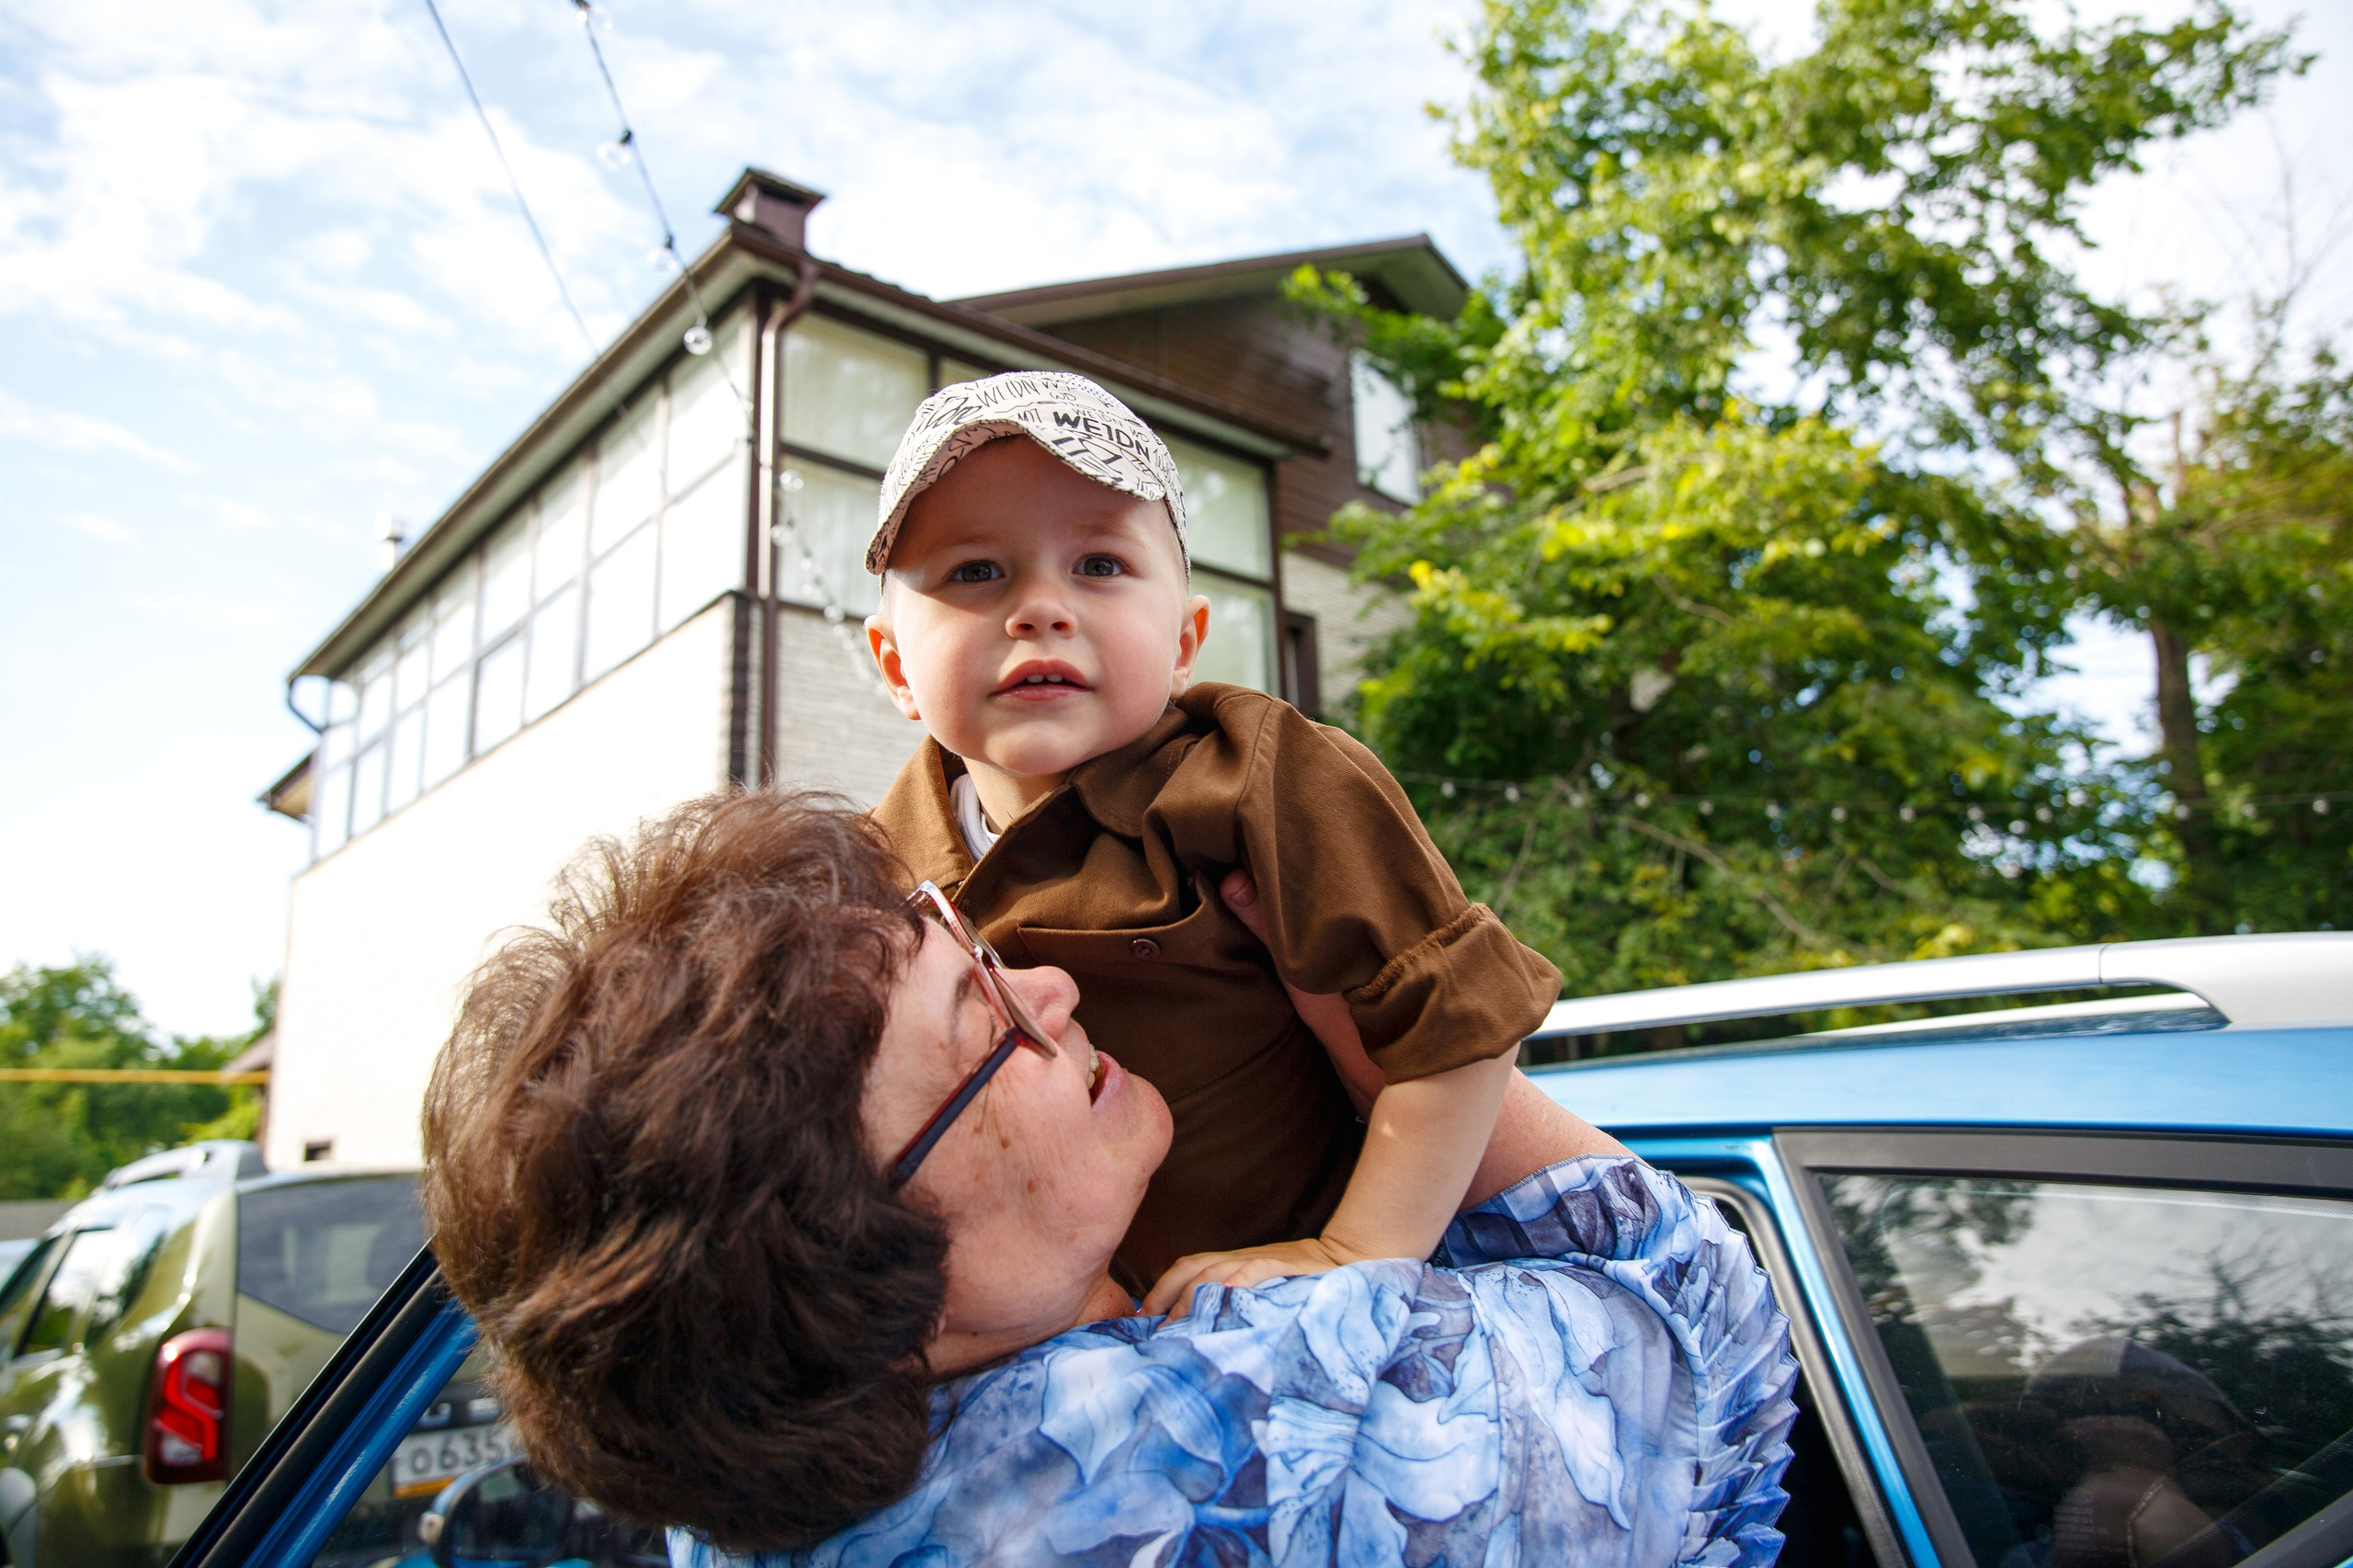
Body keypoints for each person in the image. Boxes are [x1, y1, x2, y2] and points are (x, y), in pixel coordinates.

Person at [422, 791, 1799, 1564]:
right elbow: (1707, 1324)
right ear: (866, 1281)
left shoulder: (737, 1526)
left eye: (970, 942)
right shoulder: (1246, 1456)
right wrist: (1381, 1036)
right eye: (986, 1019)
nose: (1058, 984)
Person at [859, 371, 1562, 1306]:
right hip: (1044, 1351)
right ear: (897, 666)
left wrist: (1356, 1249)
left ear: (1185, 639)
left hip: (1286, 1318)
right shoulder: (870, 874)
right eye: (976, 570)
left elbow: (1460, 1027)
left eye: (1100, 564)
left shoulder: (1252, 775)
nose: (1039, 606)